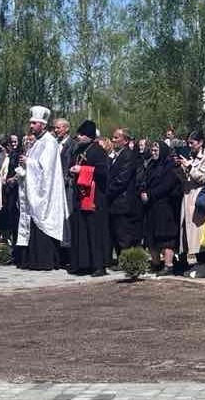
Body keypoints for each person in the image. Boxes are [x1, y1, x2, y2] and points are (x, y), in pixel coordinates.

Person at [18, 107, 69, 271]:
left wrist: (28, 162)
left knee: (44, 224)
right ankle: (33, 260)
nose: (31, 126)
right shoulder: (37, 142)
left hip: (45, 193)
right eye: (31, 123)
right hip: (34, 190)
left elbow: (46, 169)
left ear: (43, 124)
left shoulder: (49, 142)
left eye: (34, 123)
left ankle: (45, 261)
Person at [69, 121, 111, 276]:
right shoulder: (78, 149)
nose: (78, 137)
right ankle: (83, 263)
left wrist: (82, 169)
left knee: (95, 231)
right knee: (82, 229)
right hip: (80, 195)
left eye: (81, 134)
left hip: (94, 197)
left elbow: (103, 171)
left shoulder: (98, 150)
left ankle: (99, 265)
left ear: (89, 136)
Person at [140, 140, 182, 273]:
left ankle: (168, 264)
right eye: (152, 150)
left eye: (156, 150)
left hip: (165, 206)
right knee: (151, 236)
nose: (153, 153)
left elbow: (167, 185)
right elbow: (144, 180)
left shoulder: (170, 166)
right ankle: (156, 263)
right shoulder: (151, 164)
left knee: (166, 237)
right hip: (151, 206)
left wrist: (150, 194)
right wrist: (143, 191)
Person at [178, 132, 205, 275]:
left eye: (192, 143)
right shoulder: (189, 156)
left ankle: (203, 264)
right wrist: (180, 168)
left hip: (198, 199)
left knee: (198, 233)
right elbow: (184, 178)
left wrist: (190, 168)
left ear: (200, 143)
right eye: (188, 143)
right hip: (187, 197)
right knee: (187, 233)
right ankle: (192, 263)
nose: (190, 146)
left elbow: (204, 179)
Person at [106, 128, 143, 254]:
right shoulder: (117, 155)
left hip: (123, 202)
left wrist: (107, 192)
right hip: (115, 203)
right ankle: (121, 259)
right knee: (117, 236)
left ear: (125, 140)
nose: (113, 140)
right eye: (113, 137)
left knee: (124, 237)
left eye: (116, 138)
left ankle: (126, 260)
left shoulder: (128, 155)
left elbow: (121, 180)